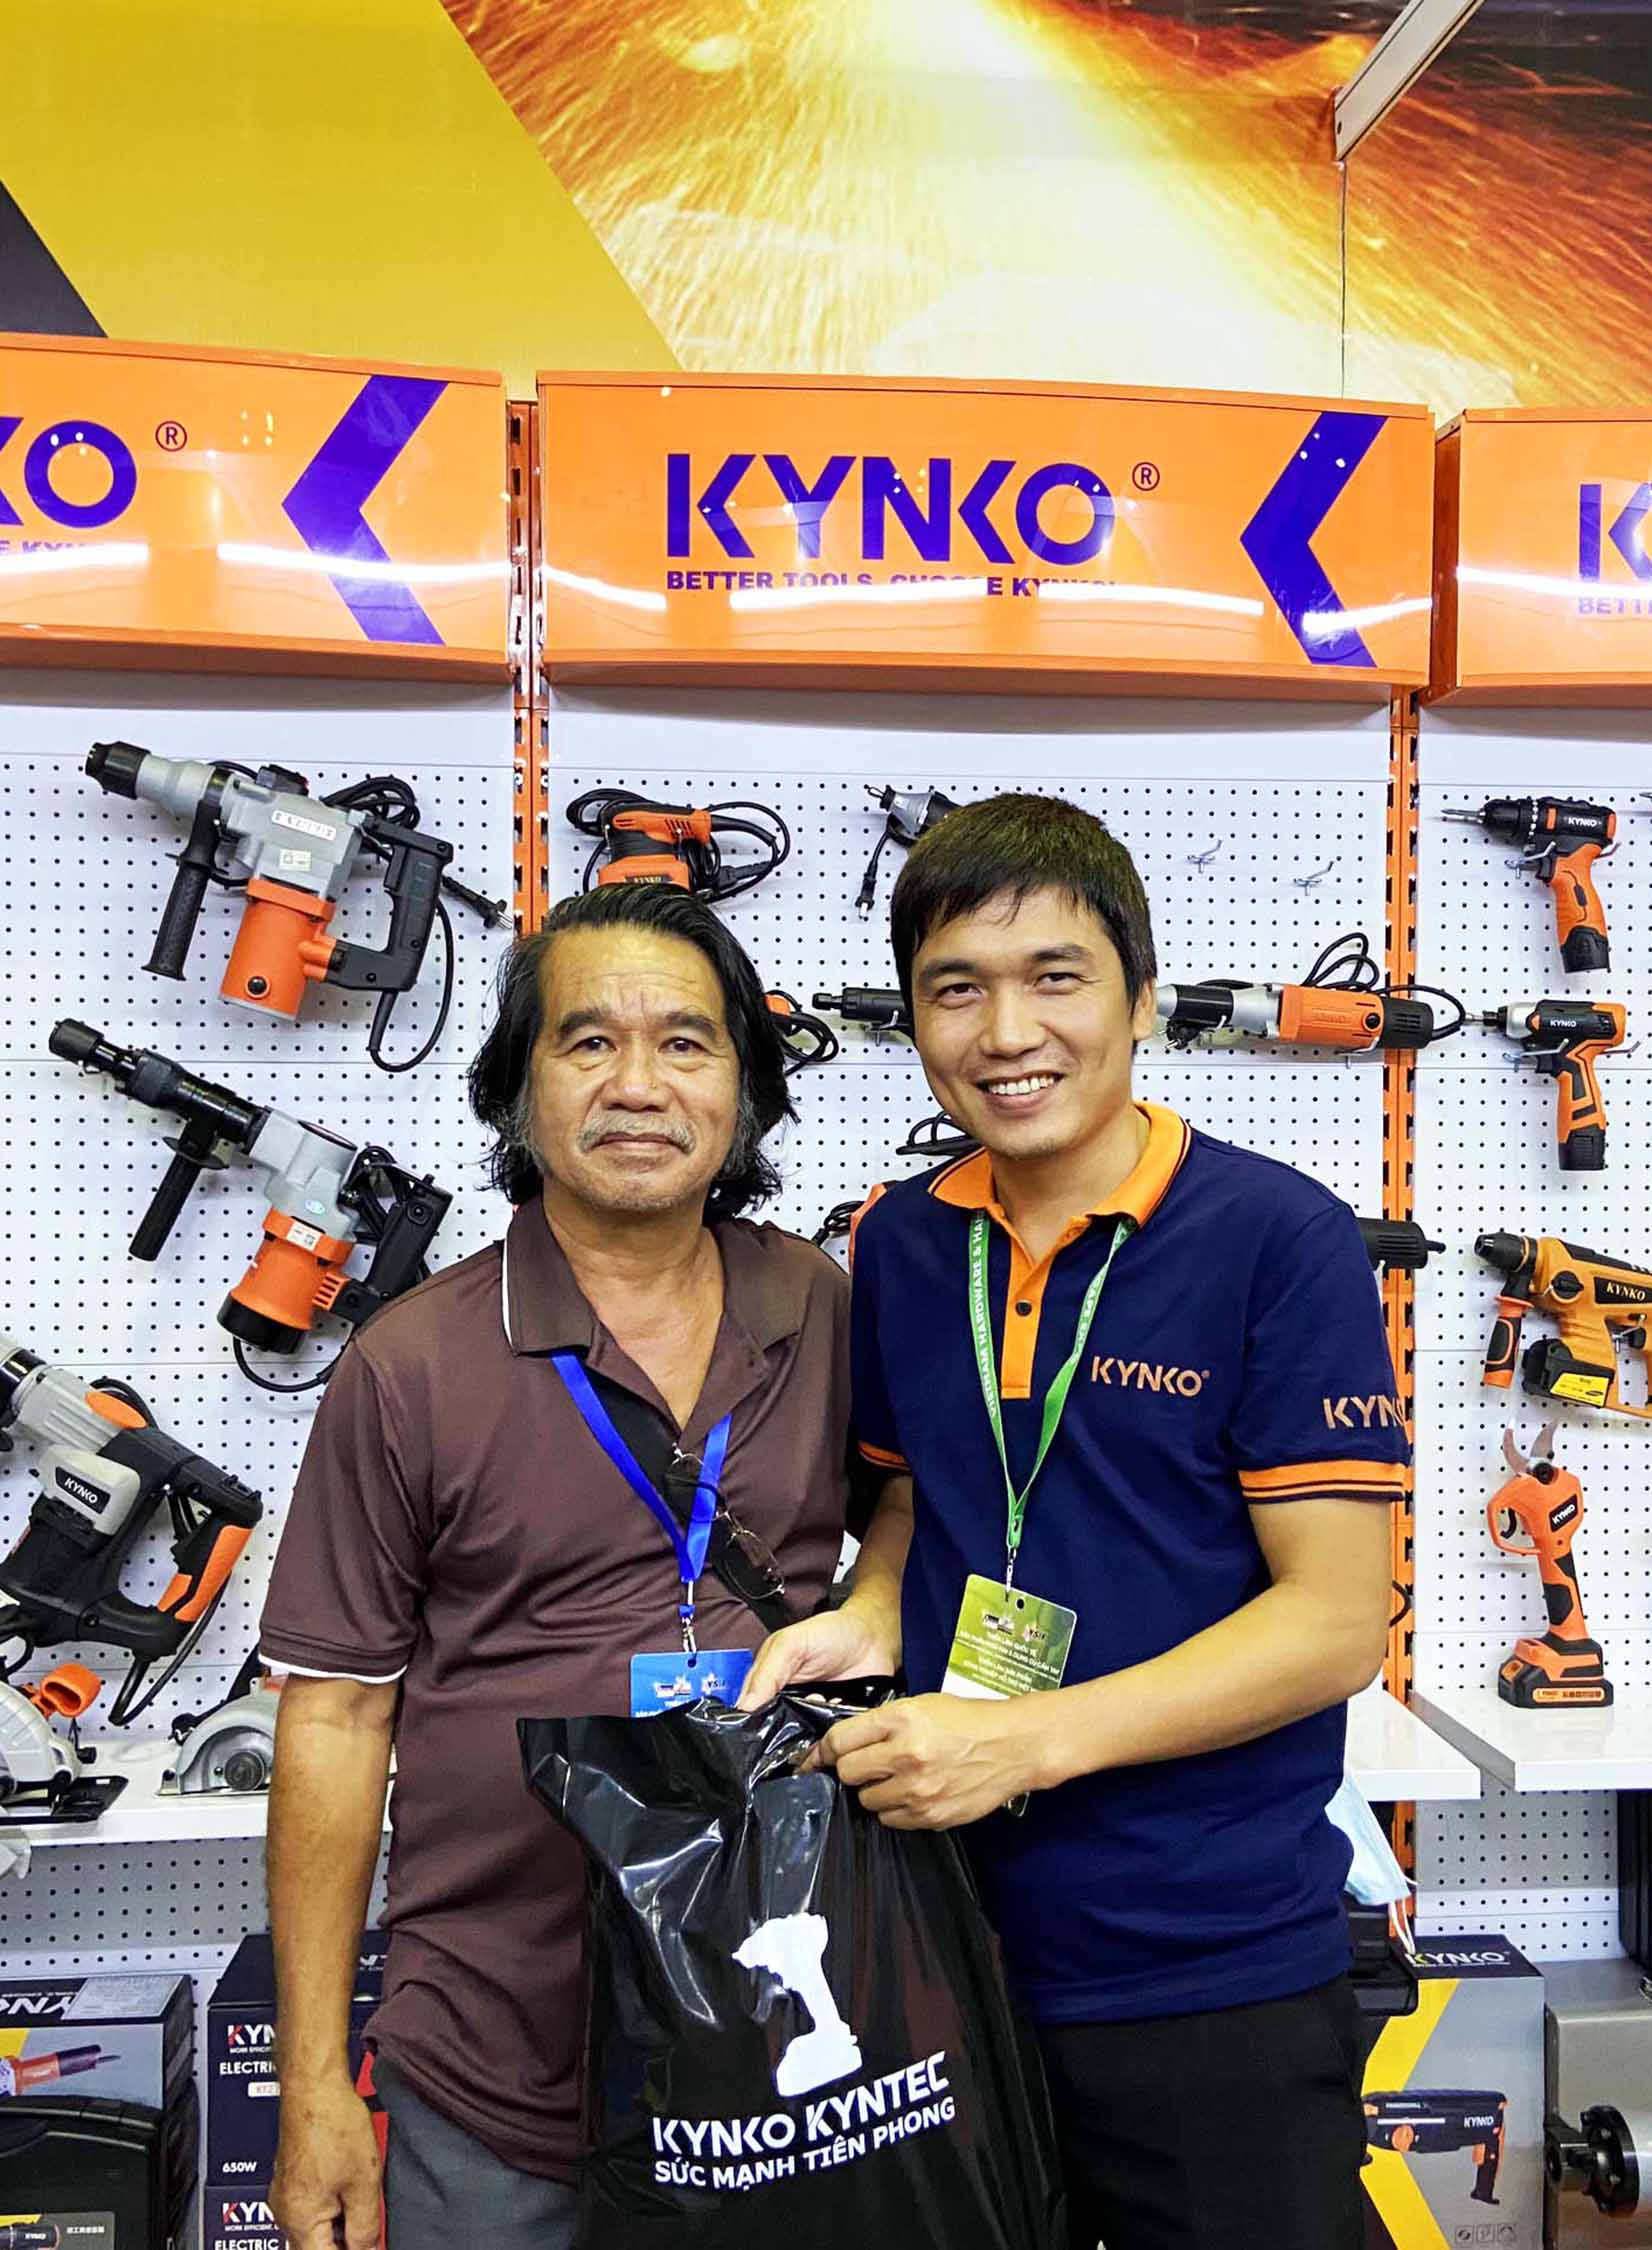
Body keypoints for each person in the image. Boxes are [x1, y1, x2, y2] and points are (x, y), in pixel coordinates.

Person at [742, 793, 1405, 2250]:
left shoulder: (1275, 1238)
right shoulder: (904, 1238)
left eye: (1057, 977)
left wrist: (1027, 1740)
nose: (1007, 1031)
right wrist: (873, 1604)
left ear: (1142, 998)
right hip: (942, 1937)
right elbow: (917, 1484)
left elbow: (1334, 1623)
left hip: (1206, 1960)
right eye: (956, 989)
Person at [261, 880, 851, 2250]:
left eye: (686, 1042)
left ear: (746, 1090)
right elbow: (334, 1718)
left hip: (785, 2037)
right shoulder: (409, 1362)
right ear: (518, 1090)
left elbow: (925, 1517)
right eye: (589, 1041)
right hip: (497, 2051)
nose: (638, 1084)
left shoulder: (823, 1309)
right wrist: (313, 2087)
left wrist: (874, 1599)